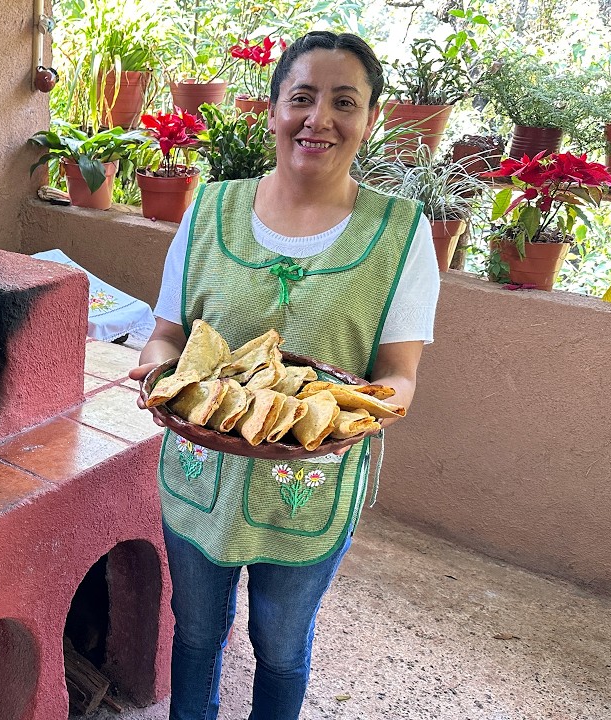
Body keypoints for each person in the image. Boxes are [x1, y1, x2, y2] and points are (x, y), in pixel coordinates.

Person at [126, 31, 440, 720]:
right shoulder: (208, 211)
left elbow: (399, 377)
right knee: (199, 632)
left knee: (282, 643)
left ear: (371, 120)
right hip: (200, 474)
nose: (318, 119)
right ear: (271, 112)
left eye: (343, 102)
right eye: (301, 97)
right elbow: (168, 338)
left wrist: (357, 414)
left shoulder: (401, 233)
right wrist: (154, 376)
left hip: (311, 486)